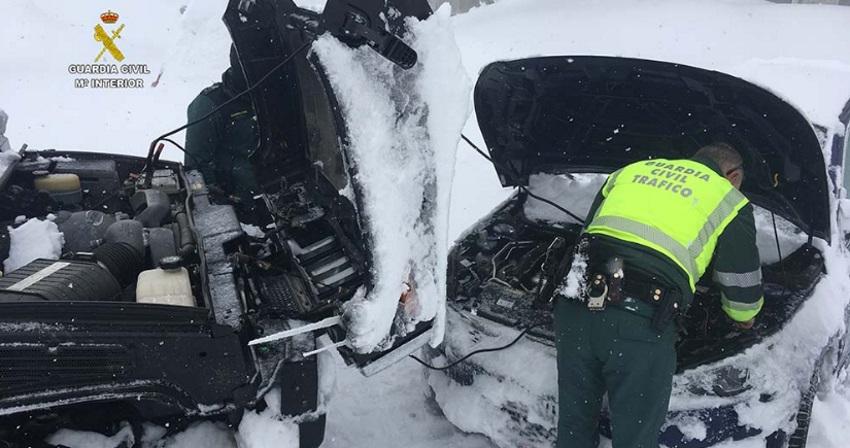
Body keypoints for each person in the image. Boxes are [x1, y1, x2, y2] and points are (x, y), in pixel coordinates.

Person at [555, 142, 764, 447]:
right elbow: (741, 282)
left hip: (574, 304)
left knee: (574, 427)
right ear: (732, 176)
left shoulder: (632, 171)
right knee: (635, 438)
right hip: (638, 322)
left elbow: (591, 234)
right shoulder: (728, 198)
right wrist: (743, 317)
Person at [184, 46, 259, 203]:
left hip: (275, 187)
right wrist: (220, 200)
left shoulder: (271, 95)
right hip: (237, 199)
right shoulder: (209, 104)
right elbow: (195, 167)